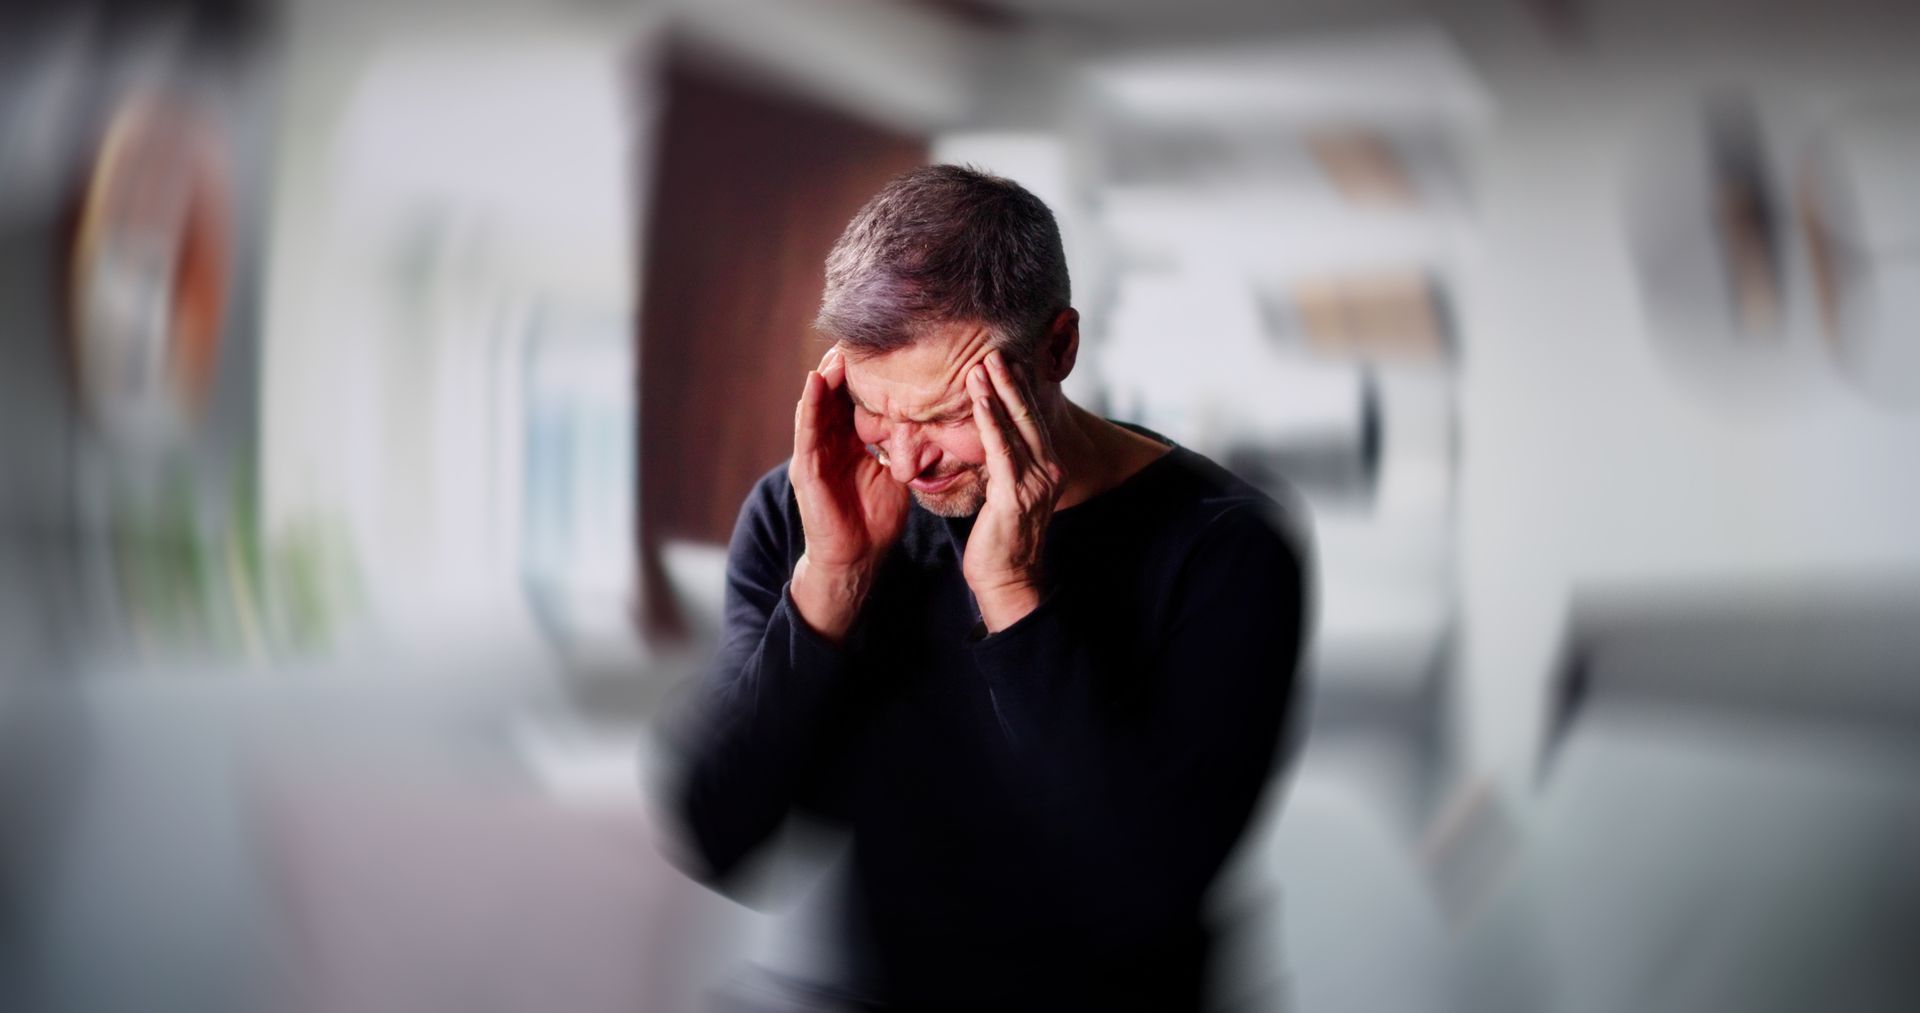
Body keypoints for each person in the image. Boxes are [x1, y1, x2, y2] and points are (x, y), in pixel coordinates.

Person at [666, 164, 1309, 1012]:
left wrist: (1011, 591)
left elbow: (1142, 893)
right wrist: (832, 583)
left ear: (1058, 348)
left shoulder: (1228, 551)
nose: (905, 459)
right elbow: (719, 829)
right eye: (875, 408)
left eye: (945, 414)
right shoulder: (810, 511)